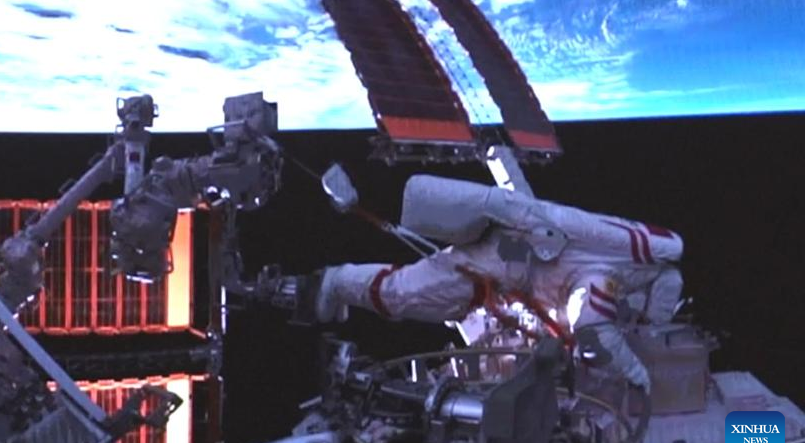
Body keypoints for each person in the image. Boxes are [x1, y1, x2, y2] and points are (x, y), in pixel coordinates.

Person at [290, 175, 684, 393]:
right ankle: (334, 282)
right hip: (492, 265)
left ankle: (339, 285)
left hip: (507, 257)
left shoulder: (620, 246)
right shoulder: (607, 273)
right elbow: (592, 330)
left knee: (415, 295)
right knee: (404, 294)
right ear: (650, 287)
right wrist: (637, 375)